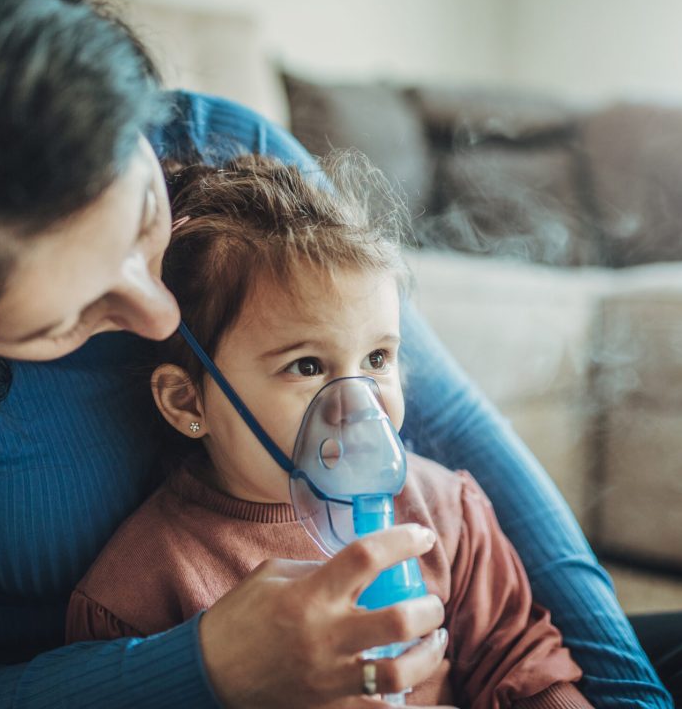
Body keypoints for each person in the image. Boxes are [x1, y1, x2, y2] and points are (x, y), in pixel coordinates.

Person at [0, 0, 682, 709]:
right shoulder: (128, 574)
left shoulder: (215, 152)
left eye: (146, 222)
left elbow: (464, 448)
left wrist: (625, 694)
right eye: (67, 316)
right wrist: (203, 666)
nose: (159, 310)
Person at [65, 153, 594, 708]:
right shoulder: (142, 587)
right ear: (186, 399)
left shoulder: (444, 511)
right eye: (308, 366)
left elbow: (522, 664)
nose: (354, 404)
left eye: (376, 358)